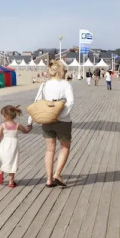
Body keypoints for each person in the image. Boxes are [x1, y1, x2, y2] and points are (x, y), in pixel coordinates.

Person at [30, 59, 74, 188]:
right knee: (65, 147)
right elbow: (70, 102)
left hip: (47, 118)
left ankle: (49, 179)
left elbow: (37, 101)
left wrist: (31, 120)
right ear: (61, 71)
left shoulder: (45, 84)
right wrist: (61, 114)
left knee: (49, 150)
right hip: (63, 120)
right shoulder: (65, 84)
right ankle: (57, 174)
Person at [0, 105, 32, 188]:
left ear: (6, 116)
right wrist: (30, 126)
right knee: (13, 163)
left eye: (2, 115)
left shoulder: (2, 125)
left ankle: (0, 172)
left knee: (5, 161)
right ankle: (11, 182)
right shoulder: (18, 125)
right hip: (13, 147)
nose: (2, 117)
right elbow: (25, 131)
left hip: (3, 146)